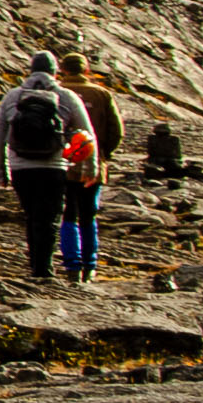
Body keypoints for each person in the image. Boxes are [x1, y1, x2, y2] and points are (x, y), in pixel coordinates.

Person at [0, 53, 89, 287]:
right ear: (56, 71)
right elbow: (87, 135)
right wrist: (88, 167)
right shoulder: (66, 96)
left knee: (32, 216)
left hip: (20, 167)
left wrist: (1, 170)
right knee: (50, 218)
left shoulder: (13, 96)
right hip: (53, 166)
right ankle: (44, 270)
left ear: (30, 70)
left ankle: (37, 265)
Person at [54, 54, 126, 284]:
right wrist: (104, 154)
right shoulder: (102, 94)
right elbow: (117, 132)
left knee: (67, 214)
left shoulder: (54, 93)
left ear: (62, 70)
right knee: (88, 215)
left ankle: (72, 265)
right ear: (86, 70)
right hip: (94, 163)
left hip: (61, 162)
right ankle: (90, 265)